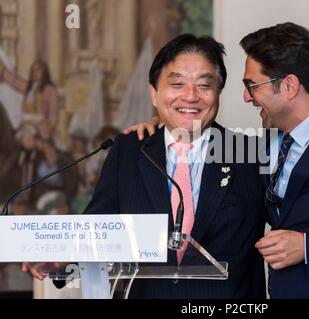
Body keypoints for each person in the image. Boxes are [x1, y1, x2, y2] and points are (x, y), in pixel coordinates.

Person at [127, 22, 309, 299]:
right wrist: (166, 124)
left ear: (289, 86)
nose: (246, 97)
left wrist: (307, 246)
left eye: (252, 85)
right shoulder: (259, 148)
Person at [23, 34, 266, 299]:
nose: (190, 96)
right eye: (177, 84)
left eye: (204, 85)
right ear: (154, 94)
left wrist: (307, 245)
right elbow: (99, 228)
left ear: (218, 91)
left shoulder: (249, 154)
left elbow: (296, 224)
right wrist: (63, 260)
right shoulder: (128, 151)